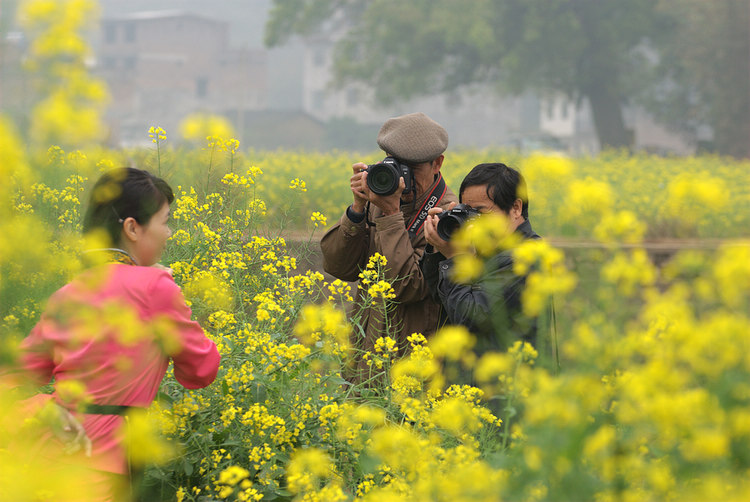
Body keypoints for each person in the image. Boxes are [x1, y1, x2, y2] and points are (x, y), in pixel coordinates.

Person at [19, 167, 221, 501]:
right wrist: (164, 288)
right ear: (132, 228)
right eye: (164, 220)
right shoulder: (157, 287)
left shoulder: (67, 294)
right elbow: (201, 371)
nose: (169, 232)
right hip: (100, 468)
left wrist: (43, 408)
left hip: (42, 459)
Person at [320, 112, 458, 377]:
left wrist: (391, 216)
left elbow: (409, 286)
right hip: (366, 364)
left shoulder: (447, 217)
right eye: (396, 166)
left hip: (413, 373)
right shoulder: (380, 200)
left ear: (437, 164)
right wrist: (358, 209)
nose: (401, 179)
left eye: (412, 168)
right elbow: (339, 266)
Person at [421, 162, 541, 354]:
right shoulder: (487, 247)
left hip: (505, 378)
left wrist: (457, 258)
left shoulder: (526, 256)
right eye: (467, 211)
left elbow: (472, 319)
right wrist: (439, 250)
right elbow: (442, 300)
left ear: (516, 208)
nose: (473, 221)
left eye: (481, 211)